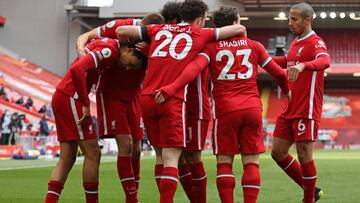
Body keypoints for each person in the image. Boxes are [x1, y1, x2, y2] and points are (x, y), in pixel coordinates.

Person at [154, 6, 291, 203]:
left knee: (224, 163)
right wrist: (287, 92)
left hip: (226, 110)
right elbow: (279, 72)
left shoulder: (210, 48)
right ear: (236, 23)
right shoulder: (255, 46)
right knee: (251, 162)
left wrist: (172, 88)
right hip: (252, 107)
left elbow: (193, 69)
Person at [116, 1, 246, 202]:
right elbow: (239, 28)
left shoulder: (157, 30)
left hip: (158, 98)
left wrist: (137, 45)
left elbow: (122, 30)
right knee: (175, 157)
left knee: (183, 156)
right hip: (176, 100)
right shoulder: (201, 34)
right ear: (201, 19)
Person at [76, 13, 164, 203]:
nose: (128, 68)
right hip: (111, 94)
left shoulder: (158, 40)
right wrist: (81, 50)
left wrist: (151, 55)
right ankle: (132, 199)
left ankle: (133, 195)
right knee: (126, 145)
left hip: (133, 96)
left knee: (137, 149)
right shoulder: (119, 27)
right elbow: (85, 36)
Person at [44, 37, 144, 203]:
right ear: (129, 50)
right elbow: (77, 69)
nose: (127, 68)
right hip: (72, 97)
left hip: (63, 96)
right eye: (131, 63)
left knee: (67, 157)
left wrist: (81, 44)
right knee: (93, 154)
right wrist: (84, 102)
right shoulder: (110, 51)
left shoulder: (107, 45)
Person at [270, 3, 330, 203]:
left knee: (304, 155)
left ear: (307, 20)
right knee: (278, 153)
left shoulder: (316, 42)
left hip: (307, 108)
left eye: (294, 19)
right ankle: (311, 190)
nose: (290, 23)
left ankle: (308, 199)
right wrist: (261, 58)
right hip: (290, 107)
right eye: (289, 18)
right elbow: (287, 61)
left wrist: (304, 65)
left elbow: (325, 60)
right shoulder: (296, 42)